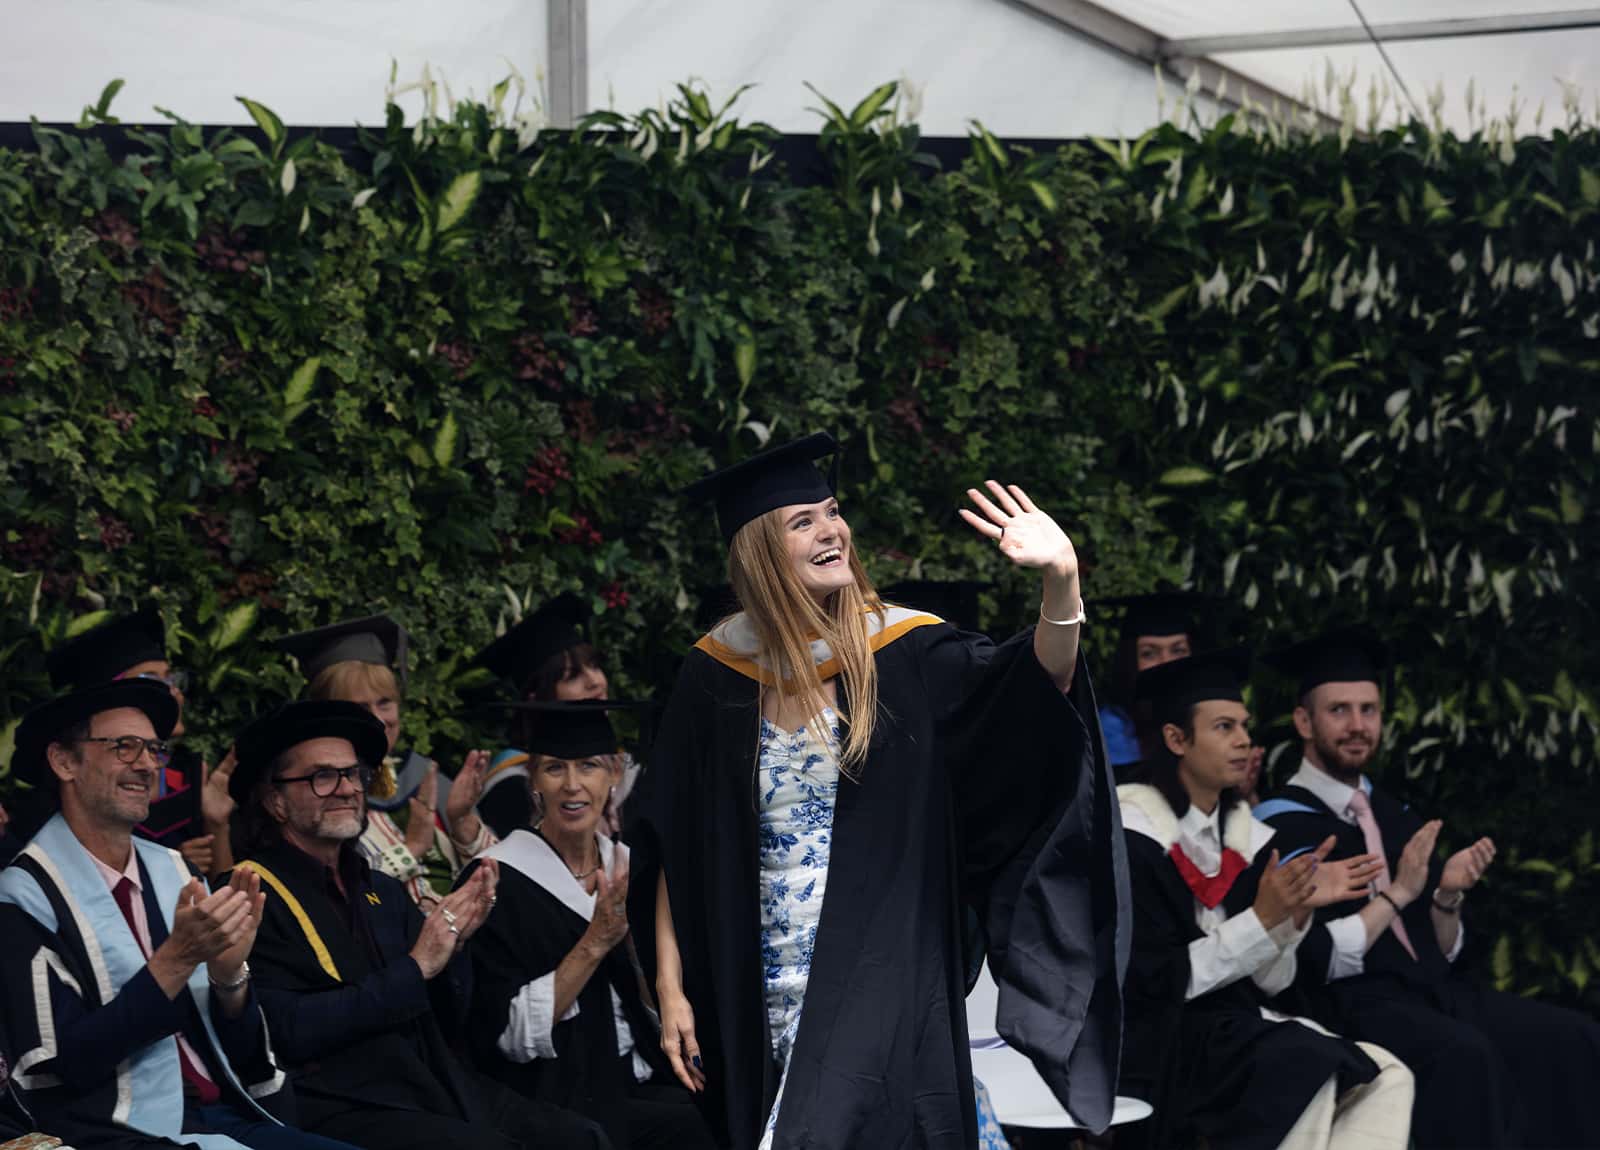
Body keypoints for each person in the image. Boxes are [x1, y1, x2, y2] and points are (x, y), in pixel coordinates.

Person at [637, 432, 1128, 1149]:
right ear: (760, 553)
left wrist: (1062, 582)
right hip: (757, 978)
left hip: (882, 961)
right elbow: (675, 842)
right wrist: (673, 990)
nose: (830, 530)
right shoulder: (714, 675)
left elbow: (1034, 693)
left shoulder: (904, 652)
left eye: (831, 511)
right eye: (801, 522)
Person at [1255, 626, 1600, 1149]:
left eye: (1368, 710)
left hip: (1431, 991)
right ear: (1304, 721)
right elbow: (1311, 960)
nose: (1357, 726)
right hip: (1349, 1001)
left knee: (1571, 1037)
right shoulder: (1279, 825)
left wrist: (1446, 896)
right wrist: (1400, 893)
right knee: (1464, 1055)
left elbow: (1437, 952)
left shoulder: (1395, 815)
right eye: (1339, 710)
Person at [228, 699, 611, 1150]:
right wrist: (418, 965)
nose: (347, 788)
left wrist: (457, 945)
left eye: (354, 775)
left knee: (582, 1137)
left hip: (429, 1082)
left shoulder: (382, 892)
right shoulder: (250, 893)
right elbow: (285, 1029)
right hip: (342, 1102)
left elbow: (445, 1016)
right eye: (323, 776)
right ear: (275, 800)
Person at [0, 678, 345, 1150]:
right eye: (124, 747)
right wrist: (176, 960)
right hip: (117, 1131)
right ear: (64, 761)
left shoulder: (174, 871)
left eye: (154, 749)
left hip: (225, 1112)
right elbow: (63, 1067)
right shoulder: (24, 896)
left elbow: (240, 1049)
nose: (146, 764)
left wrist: (229, 979)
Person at [1118, 649, 1413, 1150]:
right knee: (1303, 1067)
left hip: (1236, 1030)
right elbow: (1159, 982)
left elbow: (1270, 981)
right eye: (1224, 727)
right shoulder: (1131, 837)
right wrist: (1262, 918)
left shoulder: (1246, 837)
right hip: (1160, 1039)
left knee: (1388, 1077)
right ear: (1176, 739)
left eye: (1244, 726)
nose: (1244, 741)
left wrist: (1293, 916)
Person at [463, 700, 716, 1149]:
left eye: (590, 766)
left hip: (642, 1076)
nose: (573, 785)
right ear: (533, 779)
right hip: (557, 1097)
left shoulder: (630, 867)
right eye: (554, 768)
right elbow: (505, 1037)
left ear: (616, 771)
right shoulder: (496, 880)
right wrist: (595, 942)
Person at [275, 614, 496, 910]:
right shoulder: (319, 797)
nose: (378, 719)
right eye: (360, 708)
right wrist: (411, 850)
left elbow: (498, 880)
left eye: (385, 702)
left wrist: (462, 822)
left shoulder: (427, 778)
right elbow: (332, 898)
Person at [45, 607, 237, 876]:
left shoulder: (192, 778)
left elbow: (223, 897)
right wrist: (165, 869)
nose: (174, 693)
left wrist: (216, 825)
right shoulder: (69, 794)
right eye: (151, 680)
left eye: (172, 679)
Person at [472, 594, 639, 839]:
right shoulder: (512, 787)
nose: (595, 682)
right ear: (534, 698)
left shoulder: (628, 773)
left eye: (594, 666)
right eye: (573, 676)